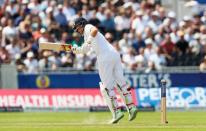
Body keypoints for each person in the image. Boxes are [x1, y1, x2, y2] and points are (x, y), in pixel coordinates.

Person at [72, 17, 137, 124]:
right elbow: (85, 50)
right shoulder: (86, 35)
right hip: (114, 54)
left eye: (77, 28)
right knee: (121, 83)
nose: (77, 31)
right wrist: (75, 49)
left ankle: (117, 112)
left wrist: (88, 41)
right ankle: (131, 107)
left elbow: (94, 30)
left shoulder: (88, 27)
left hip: (104, 58)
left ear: (82, 24)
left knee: (106, 87)